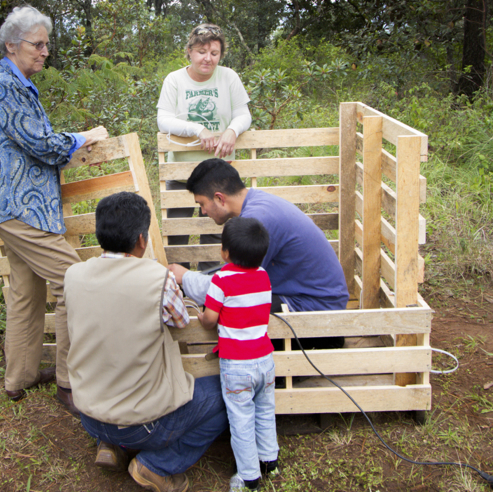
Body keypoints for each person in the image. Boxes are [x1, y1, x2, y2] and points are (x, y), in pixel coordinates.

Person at [0, 6, 108, 413]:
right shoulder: (2, 87)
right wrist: (86, 136)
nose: (45, 51)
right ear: (12, 46)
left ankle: (20, 378)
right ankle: (69, 382)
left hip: (17, 206)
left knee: (25, 291)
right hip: (18, 207)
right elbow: (43, 142)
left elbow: (29, 146)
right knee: (73, 280)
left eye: (47, 43)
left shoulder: (15, 83)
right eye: (38, 44)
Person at [64, 192, 228, 492]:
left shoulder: (73, 274)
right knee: (227, 392)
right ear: (142, 239)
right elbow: (180, 322)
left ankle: (109, 445)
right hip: (145, 426)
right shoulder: (157, 277)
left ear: (100, 233)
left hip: (88, 413)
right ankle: (156, 465)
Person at [168, 158, 350, 350]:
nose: (203, 212)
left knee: (233, 309)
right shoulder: (257, 203)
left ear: (220, 198)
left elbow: (234, 287)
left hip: (318, 315)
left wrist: (186, 278)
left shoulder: (257, 221)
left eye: (202, 204)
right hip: (309, 299)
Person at [157, 23, 251, 270]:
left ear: (221, 54)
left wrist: (232, 129)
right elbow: (163, 119)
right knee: (177, 234)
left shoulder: (229, 77)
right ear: (189, 51)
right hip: (181, 173)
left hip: (219, 174)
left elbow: (243, 114)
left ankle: (212, 292)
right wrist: (198, 129)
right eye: (201, 51)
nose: (207, 58)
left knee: (216, 233)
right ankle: (179, 294)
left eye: (214, 53)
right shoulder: (174, 80)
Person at [197, 217, 279, 492]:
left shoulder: (221, 280)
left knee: (241, 420)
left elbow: (210, 319)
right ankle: (270, 461)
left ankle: (249, 477)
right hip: (265, 360)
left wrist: (200, 317)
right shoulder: (264, 277)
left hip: (237, 365)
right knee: (265, 411)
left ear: (225, 252)